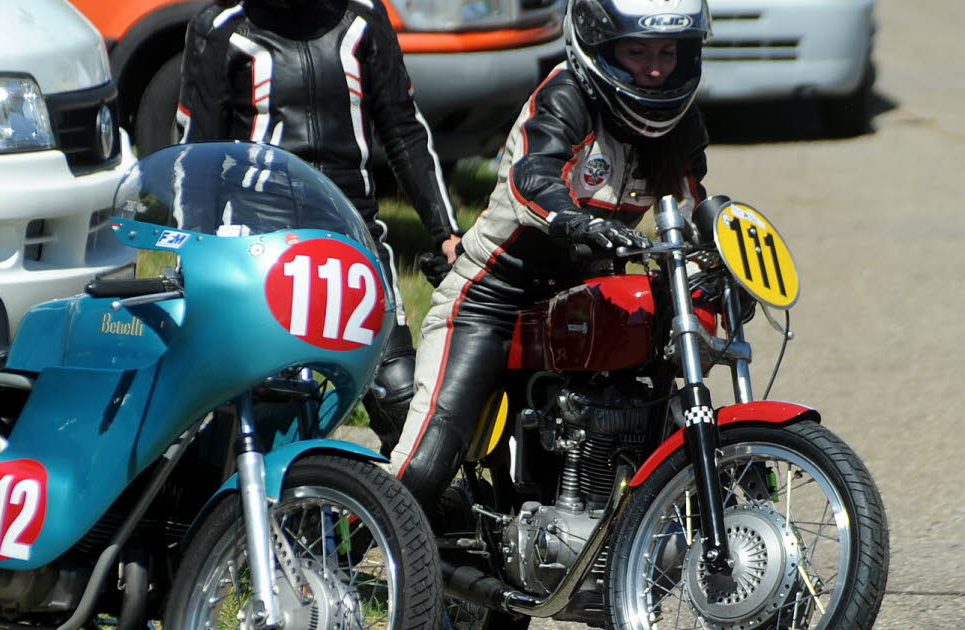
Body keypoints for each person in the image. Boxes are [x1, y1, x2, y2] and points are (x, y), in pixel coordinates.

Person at [390, 0, 712, 511]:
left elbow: (700, 205)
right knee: (427, 463)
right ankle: (340, 557)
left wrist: (730, 249)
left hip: (587, 297)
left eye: (668, 51)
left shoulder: (680, 123)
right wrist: (576, 220)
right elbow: (532, 177)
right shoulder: (566, 95)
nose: (654, 68)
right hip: (495, 294)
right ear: (600, 46)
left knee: (644, 407)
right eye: (637, 51)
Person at [174, 0, 462, 456]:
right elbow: (195, 158)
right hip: (258, 245)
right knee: (267, 410)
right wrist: (192, 251)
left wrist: (444, 230)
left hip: (354, 236)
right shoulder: (220, 28)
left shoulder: (364, 19)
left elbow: (403, 129)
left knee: (401, 397)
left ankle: (407, 522)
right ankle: (238, 515)